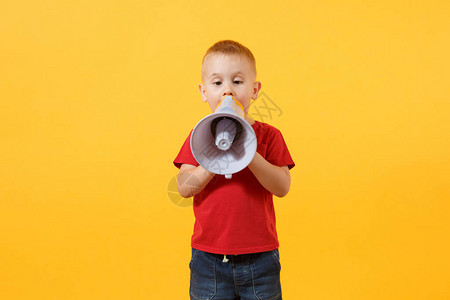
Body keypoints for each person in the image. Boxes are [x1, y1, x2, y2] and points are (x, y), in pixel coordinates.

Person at [173, 40, 295, 300]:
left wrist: (248, 151)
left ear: (255, 89)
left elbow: (282, 187)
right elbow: (183, 188)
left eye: (237, 82)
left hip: (261, 258)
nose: (227, 91)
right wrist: (213, 159)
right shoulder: (199, 136)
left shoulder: (270, 136)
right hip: (209, 260)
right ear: (203, 91)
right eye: (217, 83)